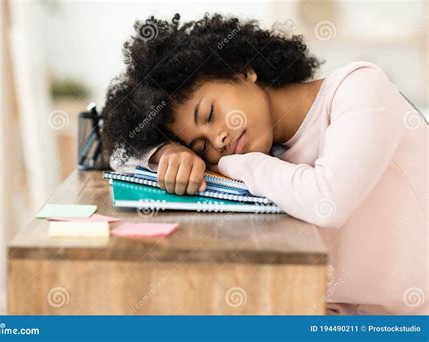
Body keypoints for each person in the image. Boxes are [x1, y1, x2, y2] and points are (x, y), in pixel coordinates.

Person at [102, 13, 427, 314]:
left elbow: (328, 201)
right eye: (201, 145)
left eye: (210, 114)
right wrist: (166, 152)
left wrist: (233, 164)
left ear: (242, 71)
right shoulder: (274, 150)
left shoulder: (359, 88)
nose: (218, 141)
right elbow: (116, 157)